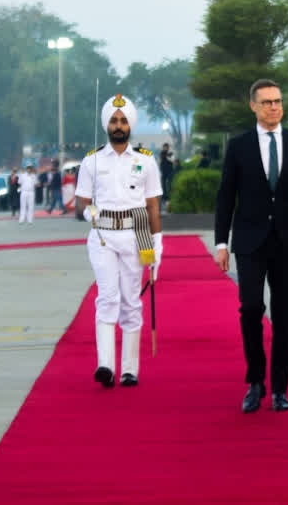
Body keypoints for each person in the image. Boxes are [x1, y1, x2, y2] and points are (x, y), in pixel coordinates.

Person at [214, 79, 288, 414]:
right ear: (253, 106)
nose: (274, 107)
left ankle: (280, 387)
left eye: (277, 101)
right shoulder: (239, 146)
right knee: (250, 308)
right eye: (266, 102)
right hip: (249, 241)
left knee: (285, 315)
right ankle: (255, 382)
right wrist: (222, 242)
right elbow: (225, 198)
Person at [75, 94, 164, 387]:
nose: (118, 125)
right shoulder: (92, 160)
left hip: (135, 235)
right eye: (114, 120)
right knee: (107, 297)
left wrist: (157, 244)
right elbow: (80, 203)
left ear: (131, 125)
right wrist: (90, 213)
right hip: (102, 236)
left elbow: (152, 205)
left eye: (123, 120)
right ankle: (105, 365)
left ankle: (129, 369)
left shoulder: (145, 161)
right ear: (106, 124)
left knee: (130, 301)